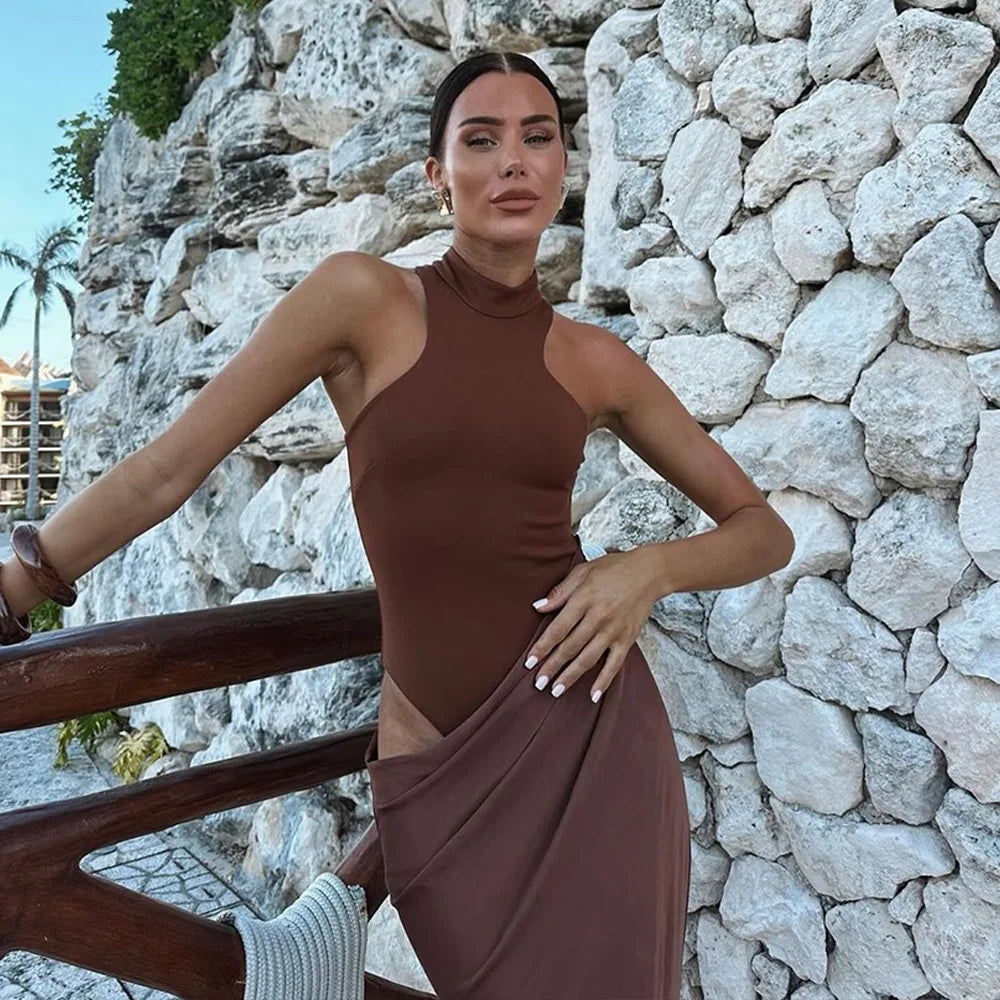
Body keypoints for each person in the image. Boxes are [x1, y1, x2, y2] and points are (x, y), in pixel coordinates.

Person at [0, 49, 795, 1000]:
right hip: (438, 774)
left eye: (538, 138)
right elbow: (169, 467)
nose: (513, 162)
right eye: (481, 138)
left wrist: (646, 571)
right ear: (436, 174)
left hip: (595, 749)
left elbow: (761, 530)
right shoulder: (363, 300)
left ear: (564, 168)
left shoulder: (593, 360)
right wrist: (19, 584)